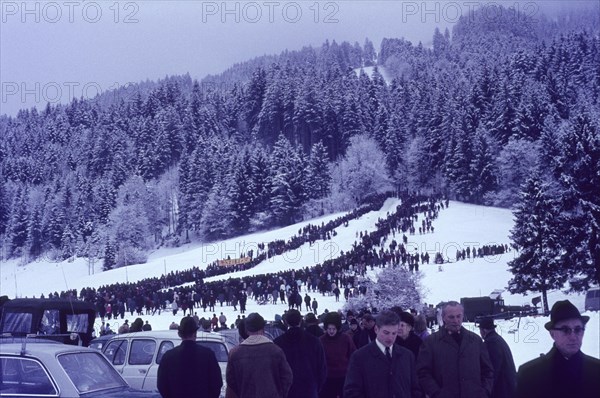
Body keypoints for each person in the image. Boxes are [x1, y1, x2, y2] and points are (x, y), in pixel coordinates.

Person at [516, 300, 600, 398]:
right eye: (565, 330)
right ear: (552, 334)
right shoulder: (530, 375)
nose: (573, 337)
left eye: (578, 329)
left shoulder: (596, 370)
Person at [416, 301, 494, 398]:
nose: (456, 320)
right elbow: (423, 373)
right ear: (444, 317)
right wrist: (436, 393)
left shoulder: (475, 340)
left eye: (458, 316)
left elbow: (488, 371)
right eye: (451, 317)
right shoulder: (431, 342)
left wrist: (484, 392)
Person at [344, 310, 422, 398]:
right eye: (386, 333)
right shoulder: (359, 357)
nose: (390, 337)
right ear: (376, 329)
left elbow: (416, 389)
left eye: (394, 333)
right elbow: (352, 392)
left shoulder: (407, 356)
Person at [226, 312, 293, 398]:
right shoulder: (275, 350)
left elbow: (231, 381)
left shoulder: (235, 353)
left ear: (246, 330)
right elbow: (287, 377)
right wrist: (279, 394)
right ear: (263, 329)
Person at [157, 316, 222, 398]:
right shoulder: (208, 354)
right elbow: (217, 383)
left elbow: (162, 385)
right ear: (195, 333)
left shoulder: (168, 356)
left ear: (179, 334)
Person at [274, 309, 327, 398]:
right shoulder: (314, 341)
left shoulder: (278, 343)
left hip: (287, 391)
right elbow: (322, 369)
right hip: (310, 389)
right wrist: (316, 387)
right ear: (301, 321)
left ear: (286, 322)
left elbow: (275, 370)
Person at [477, 317, 516, 398]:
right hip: (508, 386)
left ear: (483, 330)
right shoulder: (497, 339)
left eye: (480, 330)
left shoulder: (491, 343)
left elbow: (493, 369)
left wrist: (487, 391)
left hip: (502, 389)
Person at [319, 311, 356, 398]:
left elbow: (353, 356)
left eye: (334, 329)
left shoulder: (346, 338)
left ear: (338, 328)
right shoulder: (321, 341)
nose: (331, 331)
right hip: (327, 379)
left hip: (344, 377)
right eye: (329, 329)